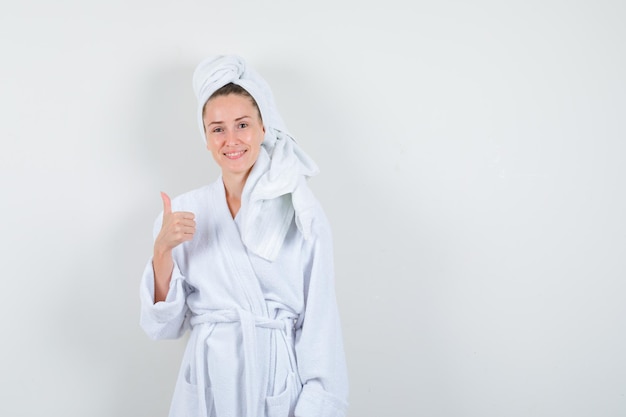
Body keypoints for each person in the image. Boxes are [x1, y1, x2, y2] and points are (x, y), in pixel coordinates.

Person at [139, 55, 349, 417]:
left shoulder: (301, 213)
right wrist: (162, 251)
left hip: (274, 381)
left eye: (242, 125)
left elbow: (321, 326)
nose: (231, 140)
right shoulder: (182, 213)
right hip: (205, 384)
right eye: (217, 128)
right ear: (205, 138)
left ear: (263, 128)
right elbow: (164, 328)